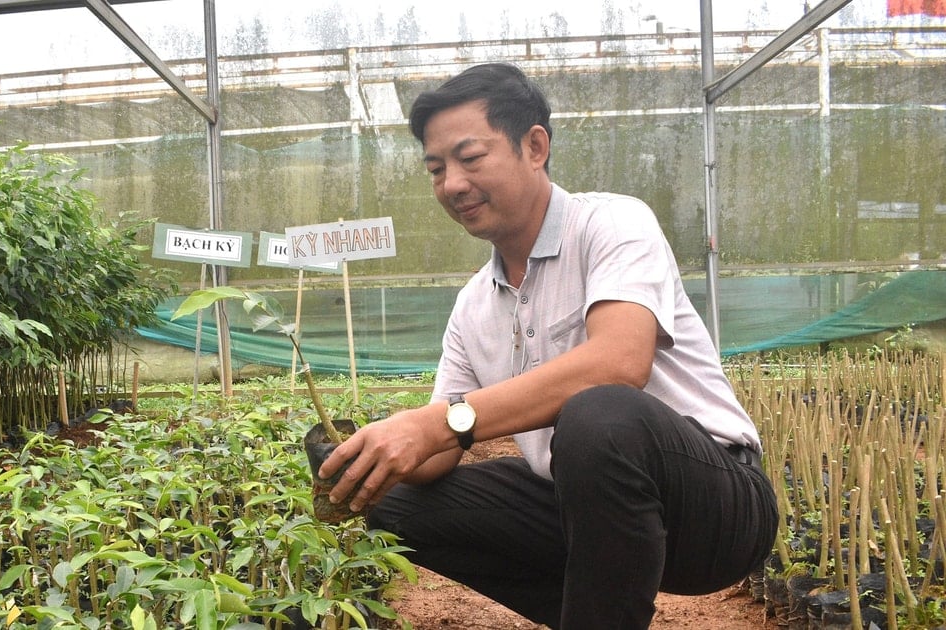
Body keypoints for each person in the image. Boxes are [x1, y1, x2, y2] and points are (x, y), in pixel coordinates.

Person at [317, 62, 779, 629]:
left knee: (599, 412)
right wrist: (379, 452)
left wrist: (439, 424)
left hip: (711, 508)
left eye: (470, 157)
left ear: (534, 146)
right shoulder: (473, 304)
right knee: (392, 507)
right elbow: (439, 452)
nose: (452, 184)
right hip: (582, 511)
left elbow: (619, 362)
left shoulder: (613, 224)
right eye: (436, 168)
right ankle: (592, 613)